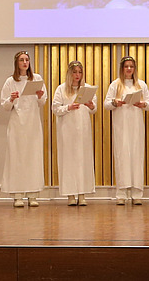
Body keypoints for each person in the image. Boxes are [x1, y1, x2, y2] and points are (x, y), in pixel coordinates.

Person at [0, 51, 47, 207]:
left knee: (33, 157)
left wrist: (40, 95)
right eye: (22, 60)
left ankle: (33, 194)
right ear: (17, 63)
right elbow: (4, 106)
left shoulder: (37, 79)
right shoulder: (10, 81)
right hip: (17, 125)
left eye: (27, 60)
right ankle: (18, 195)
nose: (25, 63)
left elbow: (43, 102)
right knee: (17, 158)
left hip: (33, 125)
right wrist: (11, 98)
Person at [104, 56, 149, 205]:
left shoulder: (141, 85)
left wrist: (142, 104)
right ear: (122, 69)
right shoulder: (115, 85)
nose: (129, 69)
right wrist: (115, 102)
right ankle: (122, 193)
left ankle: (137, 193)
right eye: (126, 67)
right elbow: (106, 104)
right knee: (122, 156)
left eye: (131, 66)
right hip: (121, 126)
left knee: (136, 157)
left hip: (136, 126)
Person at [52, 60, 96, 206]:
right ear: (69, 73)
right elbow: (55, 108)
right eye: (75, 72)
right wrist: (68, 108)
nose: (77, 75)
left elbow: (93, 109)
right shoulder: (61, 89)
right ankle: (70, 194)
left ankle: (82, 193)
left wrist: (90, 105)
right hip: (67, 130)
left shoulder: (87, 88)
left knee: (83, 159)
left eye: (80, 72)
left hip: (83, 129)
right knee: (69, 160)